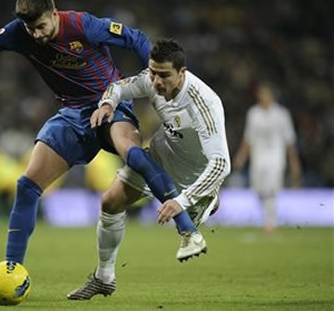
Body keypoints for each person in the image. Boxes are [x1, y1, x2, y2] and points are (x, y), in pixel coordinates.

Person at [0, 0, 198, 299]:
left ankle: (186, 227)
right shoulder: (20, 32)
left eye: (41, 27)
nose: (36, 34)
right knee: (27, 185)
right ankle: (10, 274)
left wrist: (156, 80)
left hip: (111, 105)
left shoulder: (83, 25)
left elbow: (137, 37)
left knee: (134, 155)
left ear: (54, 13)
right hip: (73, 116)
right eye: (31, 29)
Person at [67, 38, 231, 300]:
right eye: (153, 72)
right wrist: (107, 104)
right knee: (109, 202)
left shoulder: (204, 104)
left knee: (193, 219)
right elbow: (116, 87)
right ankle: (104, 278)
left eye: (164, 75)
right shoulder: (151, 79)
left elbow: (221, 164)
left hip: (193, 177)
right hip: (159, 158)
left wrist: (182, 200)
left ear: (182, 73)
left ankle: (208, 198)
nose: (156, 82)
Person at [233, 82, 301, 234]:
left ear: (271, 96)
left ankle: (270, 222)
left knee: (271, 190)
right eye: (260, 94)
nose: (262, 97)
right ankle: (268, 216)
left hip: (276, 159)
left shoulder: (282, 114)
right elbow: (248, 139)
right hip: (258, 159)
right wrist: (241, 157)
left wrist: (294, 163)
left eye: (265, 94)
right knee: (258, 191)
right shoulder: (253, 113)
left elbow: (289, 141)